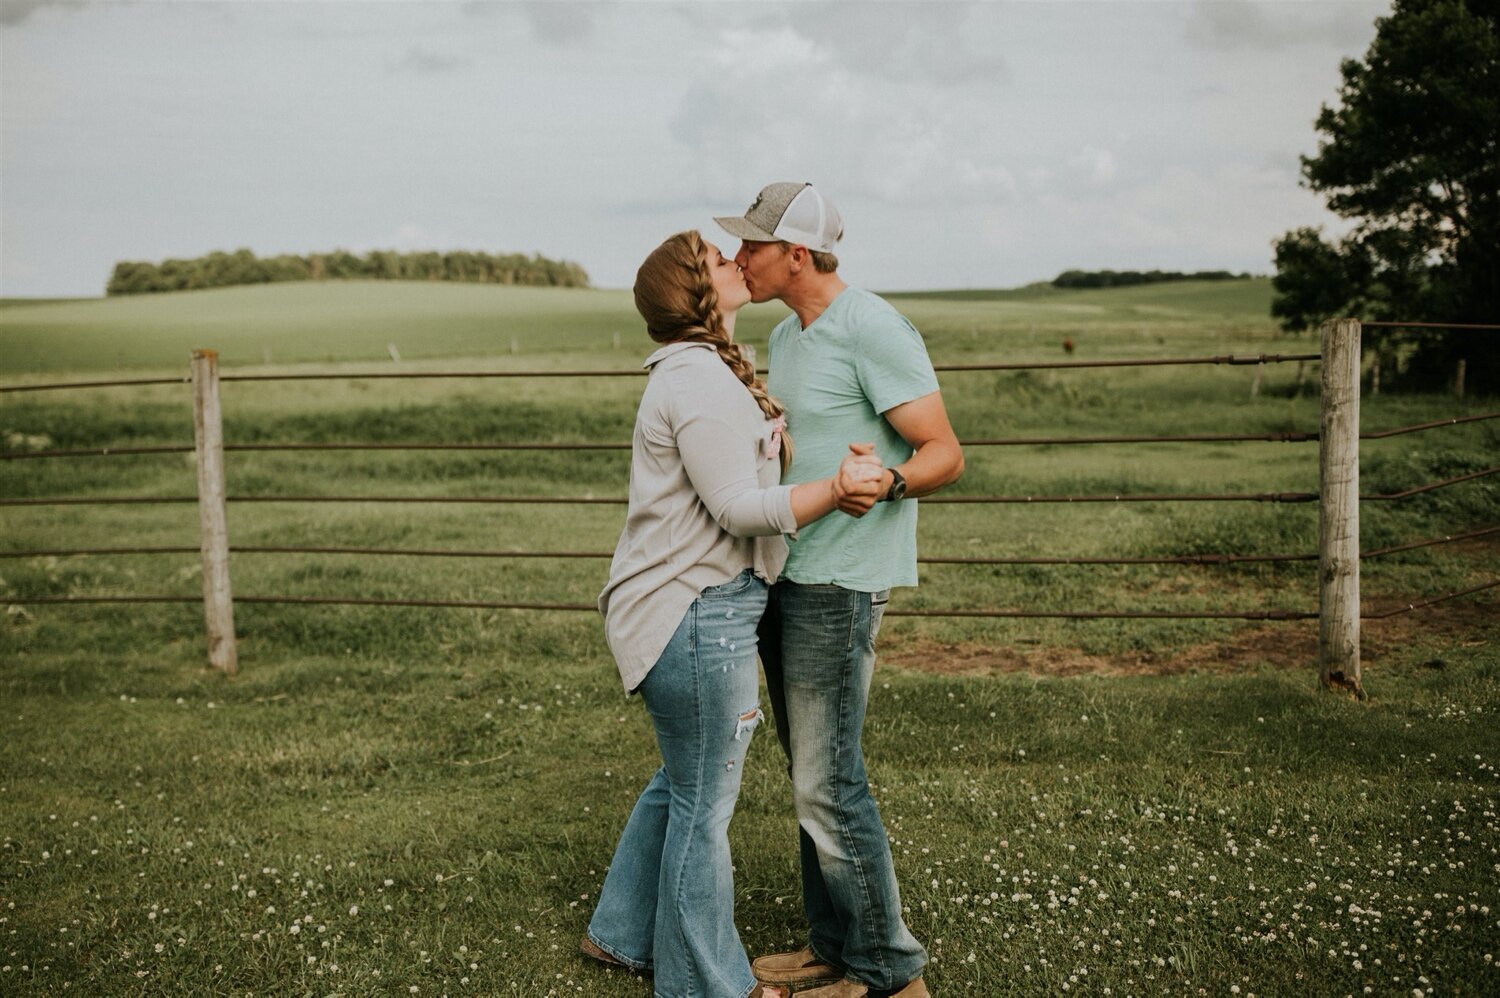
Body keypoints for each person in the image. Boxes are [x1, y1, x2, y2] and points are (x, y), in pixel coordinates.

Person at [584, 229, 886, 998]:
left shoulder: (705, 372)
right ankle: (708, 985)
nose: (736, 260)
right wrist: (837, 491)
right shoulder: (698, 382)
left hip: (690, 606)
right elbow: (737, 510)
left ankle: (619, 933)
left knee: (683, 778)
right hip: (696, 610)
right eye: (719, 260)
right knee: (702, 805)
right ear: (697, 291)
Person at [715, 183, 964, 998]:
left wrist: (888, 480)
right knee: (809, 775)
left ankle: (892, 973)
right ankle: (833, 946)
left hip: (841, 583)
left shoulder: (874, 327)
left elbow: (945, 454)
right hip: (787, 575)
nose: (739, 257)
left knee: (830, 781)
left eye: (753, 245)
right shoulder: (788, 334)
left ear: (796, 253)